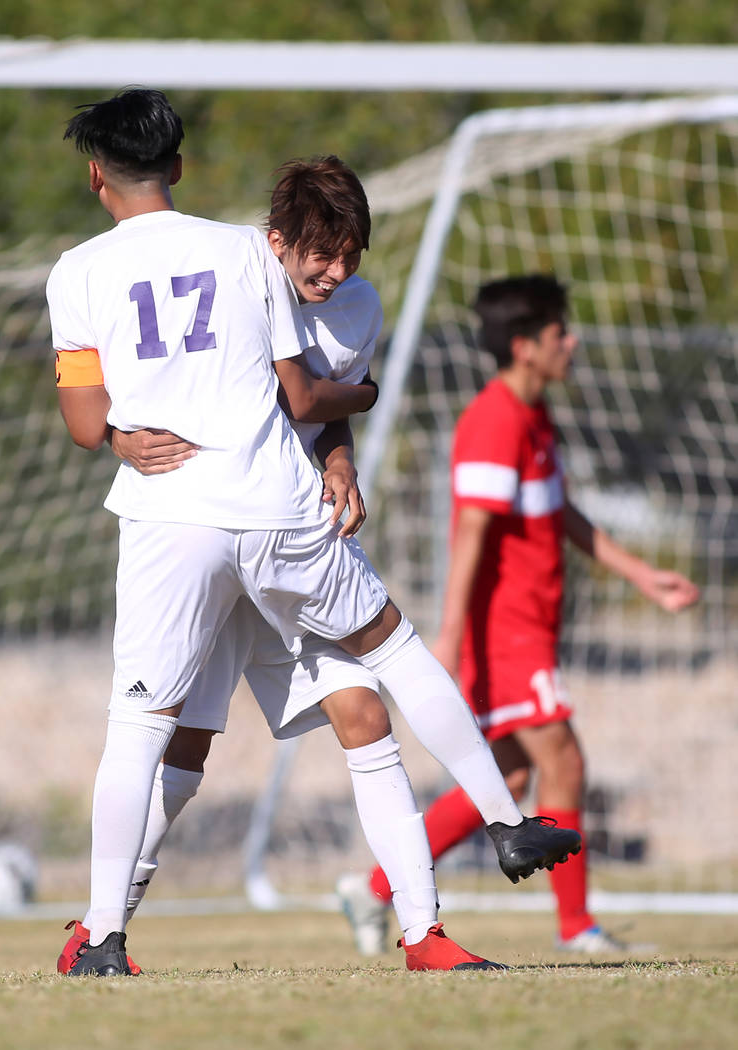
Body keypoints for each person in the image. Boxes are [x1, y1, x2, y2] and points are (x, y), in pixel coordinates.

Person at [47, 90, 580, 977]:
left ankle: (110, 936)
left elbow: (83, 419)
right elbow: (298, 390)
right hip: (271, 512)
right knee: (387, 651)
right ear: (179, 166)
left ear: (95, 173)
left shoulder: (76, 271)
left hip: (172, 519)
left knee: (151, 728)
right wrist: (357, 411)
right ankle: (501, 822)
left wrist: (115, 437)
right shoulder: (241, 251)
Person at [338, 273, 701, 956]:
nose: (574, 341)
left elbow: (559, 513)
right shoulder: (494, 420)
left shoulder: (536, 417)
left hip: (529, 631)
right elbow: (471, 530)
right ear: (527, 347)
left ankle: (376, 887)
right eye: (562, 332)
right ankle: (578, 928)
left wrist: (642, 575)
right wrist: (446, 637)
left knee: (505, 779)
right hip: (502, 636)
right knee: (562, 759)